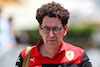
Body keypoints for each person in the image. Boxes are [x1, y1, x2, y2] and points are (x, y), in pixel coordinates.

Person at [16, 2, 92, 67]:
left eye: (56, 29)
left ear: (65, 30)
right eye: (46, 28)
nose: (51, 35)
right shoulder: (26, 56)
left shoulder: (79, 56)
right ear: (40, 29)